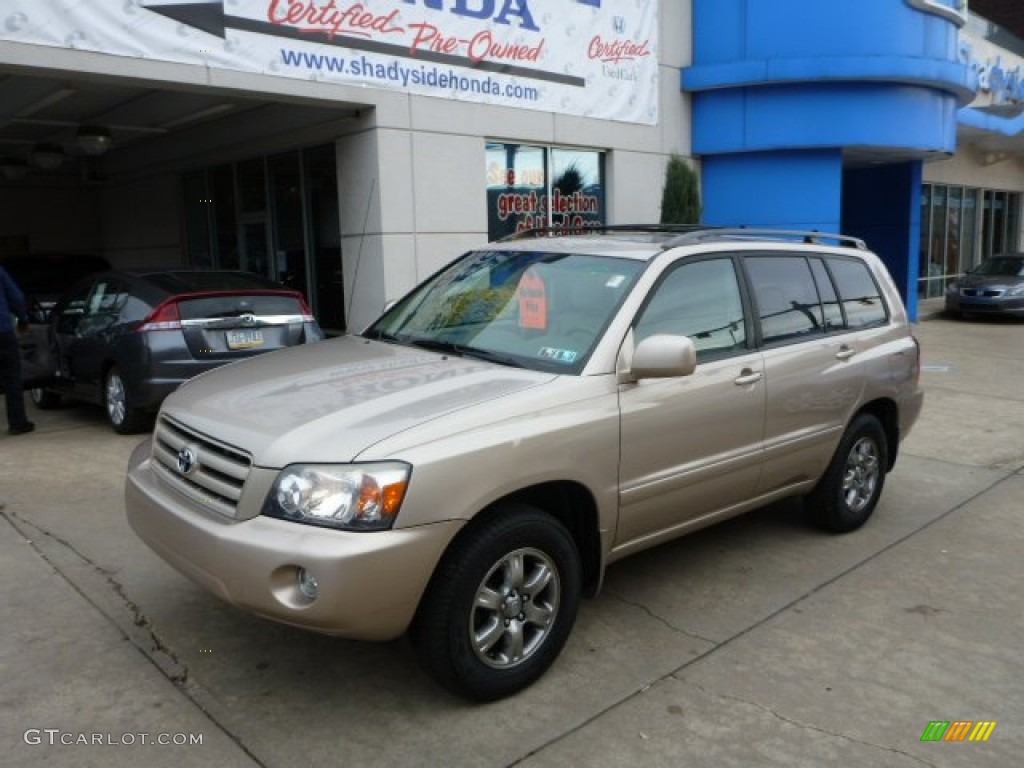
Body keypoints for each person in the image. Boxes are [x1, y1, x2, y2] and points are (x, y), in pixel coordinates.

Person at [0, 264, 35, 435]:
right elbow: (17, 297)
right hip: (3, 332)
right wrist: (23, 319)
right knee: (12, 378)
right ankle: (17, 423)